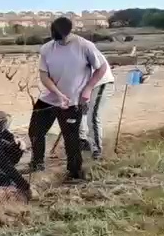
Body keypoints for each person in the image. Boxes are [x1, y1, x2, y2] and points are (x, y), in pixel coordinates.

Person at [27, 17, 110, 183]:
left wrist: (88, 89)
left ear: (68, 31)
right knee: (35, 131)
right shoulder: (46, 49)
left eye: (62, 37)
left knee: (71, 138)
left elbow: (102, 68)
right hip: (50, 98)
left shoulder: (84, 46)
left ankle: (74, 174)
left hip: (73, 100)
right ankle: (37, 164)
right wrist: (57, 93)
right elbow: (44, 76)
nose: (59, 40)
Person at [80, 63, 116, 160]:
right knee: (79, 111)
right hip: (84, 86)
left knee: (92, 115)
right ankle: (83, 141)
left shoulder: (86, 48)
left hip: (101, 83)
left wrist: (88, 88)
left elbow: (102, 67)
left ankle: (96, 150)